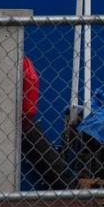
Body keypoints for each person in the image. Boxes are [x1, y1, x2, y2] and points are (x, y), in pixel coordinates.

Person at [22, 57, 78, 190]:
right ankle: (67, 185)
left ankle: (67, 185)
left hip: (24, 119)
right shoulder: (23, 62)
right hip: (24, 118)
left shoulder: (22, 62)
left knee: (35, 141)